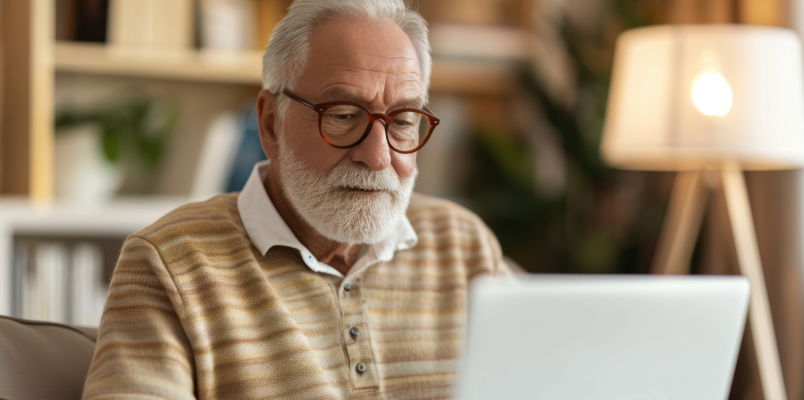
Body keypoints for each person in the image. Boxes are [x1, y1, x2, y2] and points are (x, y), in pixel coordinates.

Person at [82, 1, 512, 398]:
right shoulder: (169, 263)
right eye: (344, 116)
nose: (379, 157)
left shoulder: (464, 246)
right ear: (271, 124)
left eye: (401, 121)